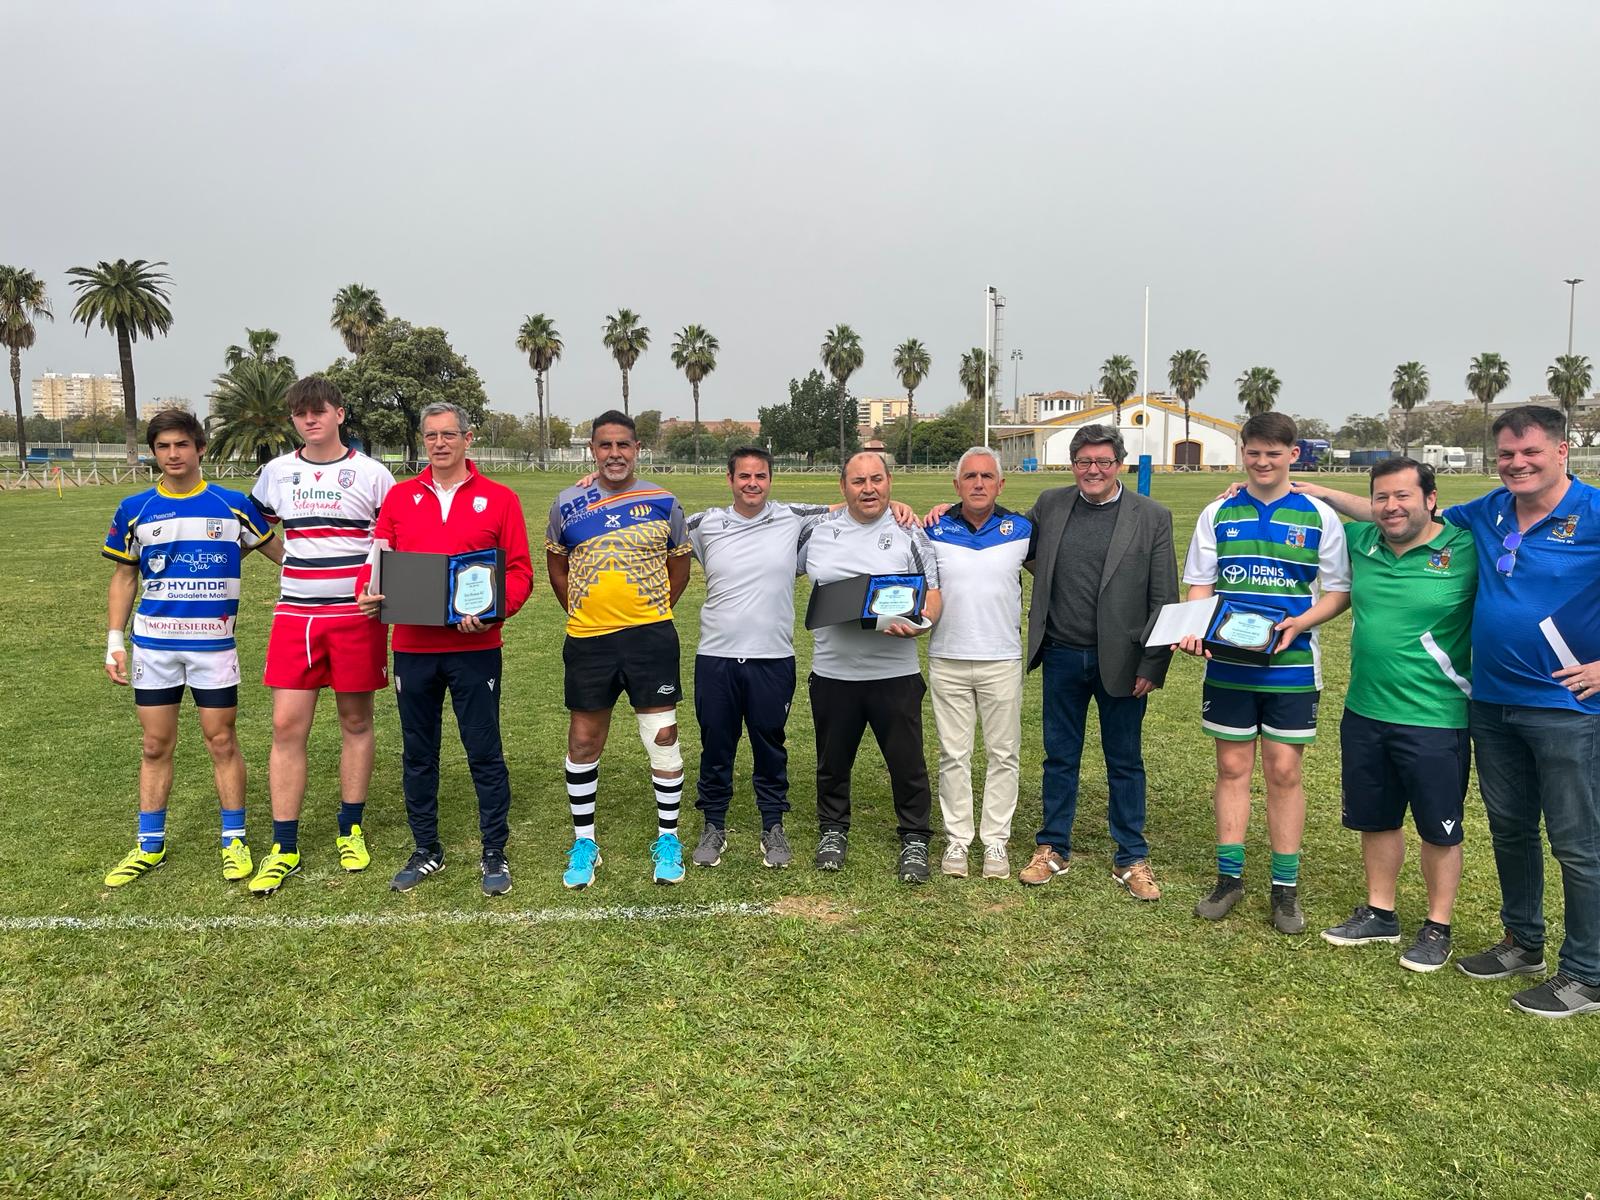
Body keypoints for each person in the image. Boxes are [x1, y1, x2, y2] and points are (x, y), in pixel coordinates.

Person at [1301, 405, 1600, 1016]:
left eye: (1531, 453)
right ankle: (1523, 942)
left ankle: (1587, 972)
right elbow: (1394, 512)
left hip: (1567, 706)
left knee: (1576, 843)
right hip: (1490, 704)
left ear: (1562, 452)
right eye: (1508, 454)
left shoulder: (1593, 513)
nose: (1517, 464)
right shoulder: (1486, 514)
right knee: (1511, 831)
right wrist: (1306, 488)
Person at [1178, 411, 1350, 934]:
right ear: (1243, 452)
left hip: (1292, 666)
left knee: (1284, 771)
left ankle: (1285, 889)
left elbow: (1339, 592)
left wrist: (1301, 622)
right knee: (1232, 769)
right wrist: (1194, 625)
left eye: (1274, 453)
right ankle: (1229, 879)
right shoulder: (1218, 512)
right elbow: (1201, 584)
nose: (1263, 461)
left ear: (1293, 455)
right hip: (1229, 663)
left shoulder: (1320, 516)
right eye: (1254, 452)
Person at [357, 403, 533, 896]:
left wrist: (495, 612)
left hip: (476, 647)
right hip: (413, 647)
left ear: (468, 438)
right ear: (423, 440)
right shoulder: (399, 497)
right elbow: (377, 563)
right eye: (430, 435)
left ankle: (493, 850)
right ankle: (426, 848)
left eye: (448, 434)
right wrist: (365, 594)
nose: (439, 443)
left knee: (484, 751)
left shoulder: (499, 499)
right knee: (418, 752)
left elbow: (519, 571)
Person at [100, 410, 274, 887]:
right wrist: (115, 642)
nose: (173, 455)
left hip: (213, 647)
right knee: (155, 744)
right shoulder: (133, 508)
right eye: (163, 447)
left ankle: (234, 839)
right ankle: (149, 846)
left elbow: (284, 554)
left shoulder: (233, 504)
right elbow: (124, 576)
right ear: (154, 453)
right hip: (153, 648)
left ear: (200, 448)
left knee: (221, 740)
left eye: (181, 445)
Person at [1316, 458, 1476, 972]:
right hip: (1364, 709)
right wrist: (1300, 485)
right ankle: (1381, 912)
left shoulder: (1465, 548)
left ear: (1432, 499)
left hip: (1436, 714)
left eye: (1404, 496)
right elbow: (1351, 511)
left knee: (1439, 828)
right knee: (1376, 818)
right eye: (1382, 497)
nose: (1392, 507)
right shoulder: (1362, 542)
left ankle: (1437, 926)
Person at [244, 376, 395, 896]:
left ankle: (349, 827)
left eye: (318, 411)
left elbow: (394, 541)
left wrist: (382, 591)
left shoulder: (373, 474)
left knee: (356, 721)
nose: (309, 420)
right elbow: (250, 525)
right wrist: (285, 558)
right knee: (287, 727)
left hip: (356, 617)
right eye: (300, 414)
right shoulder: (277, 472)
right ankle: (283, 845)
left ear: (339, 414)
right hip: (296, 617)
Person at [1016, 426, 1179, 900]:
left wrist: (1154, 663)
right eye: (1085, 461)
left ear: (1120, 465)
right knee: (1059, 756)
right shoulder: (1050, 504)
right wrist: (954, 514)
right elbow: (1011, 542)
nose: (1094, 470)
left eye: (1104, 462)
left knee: (1125, 761)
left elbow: (1164, 597)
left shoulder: (1151, 517)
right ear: (1072, 464)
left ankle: (1131, 856)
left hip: (1125, 660)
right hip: (1062, 654)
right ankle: (1052, 847)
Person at [546, 411, 692, 889]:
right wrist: (588, 612)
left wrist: (646, 611)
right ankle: (584, 841)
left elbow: (680, 570)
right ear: (592, 449)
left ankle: (667, 839)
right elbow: (557, 568)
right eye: (605, 446)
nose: (614, 454)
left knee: (662, 736)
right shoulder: (567, 503)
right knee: (584, 740)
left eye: (623, 445)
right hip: (589, 639)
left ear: (637, 448)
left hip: (651, 637)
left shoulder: (665, 502)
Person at [798, 449, 942, 883]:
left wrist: (923, 624)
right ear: (843, 487)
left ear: (889, 482)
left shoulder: (908, 531)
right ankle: (833, 830)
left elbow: (931, 591)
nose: (869, 489)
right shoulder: (816, 531)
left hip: (893, 674)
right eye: (858, 481)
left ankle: (915, 837)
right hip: (833, 672)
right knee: (832, 762)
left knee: (908, 763)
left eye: (876, 480)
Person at [922, 447, 1035, 881]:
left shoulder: (1022, 529)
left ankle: (995, 843)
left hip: (1001, 658)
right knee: (954, 753)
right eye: (969, 476)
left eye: (987, 476)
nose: (979, 483)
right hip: (947, 656)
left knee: (1003, 754)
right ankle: (957, 839)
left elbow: (1049, 572)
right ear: (956, 485)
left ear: (1001, 484)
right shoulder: (934, 527)